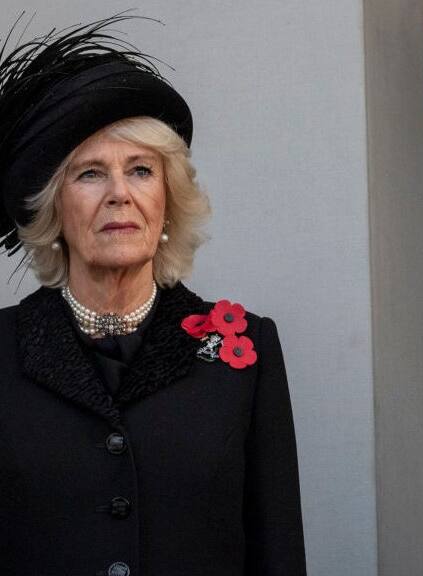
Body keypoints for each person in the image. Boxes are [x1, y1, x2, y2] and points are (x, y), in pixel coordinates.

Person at [0, 15, 306, 576]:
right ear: (52, 211)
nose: (120, 194)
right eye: (90, 174)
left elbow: (276, 551)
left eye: (140, 170)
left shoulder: (245, 352)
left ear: (168, 200)